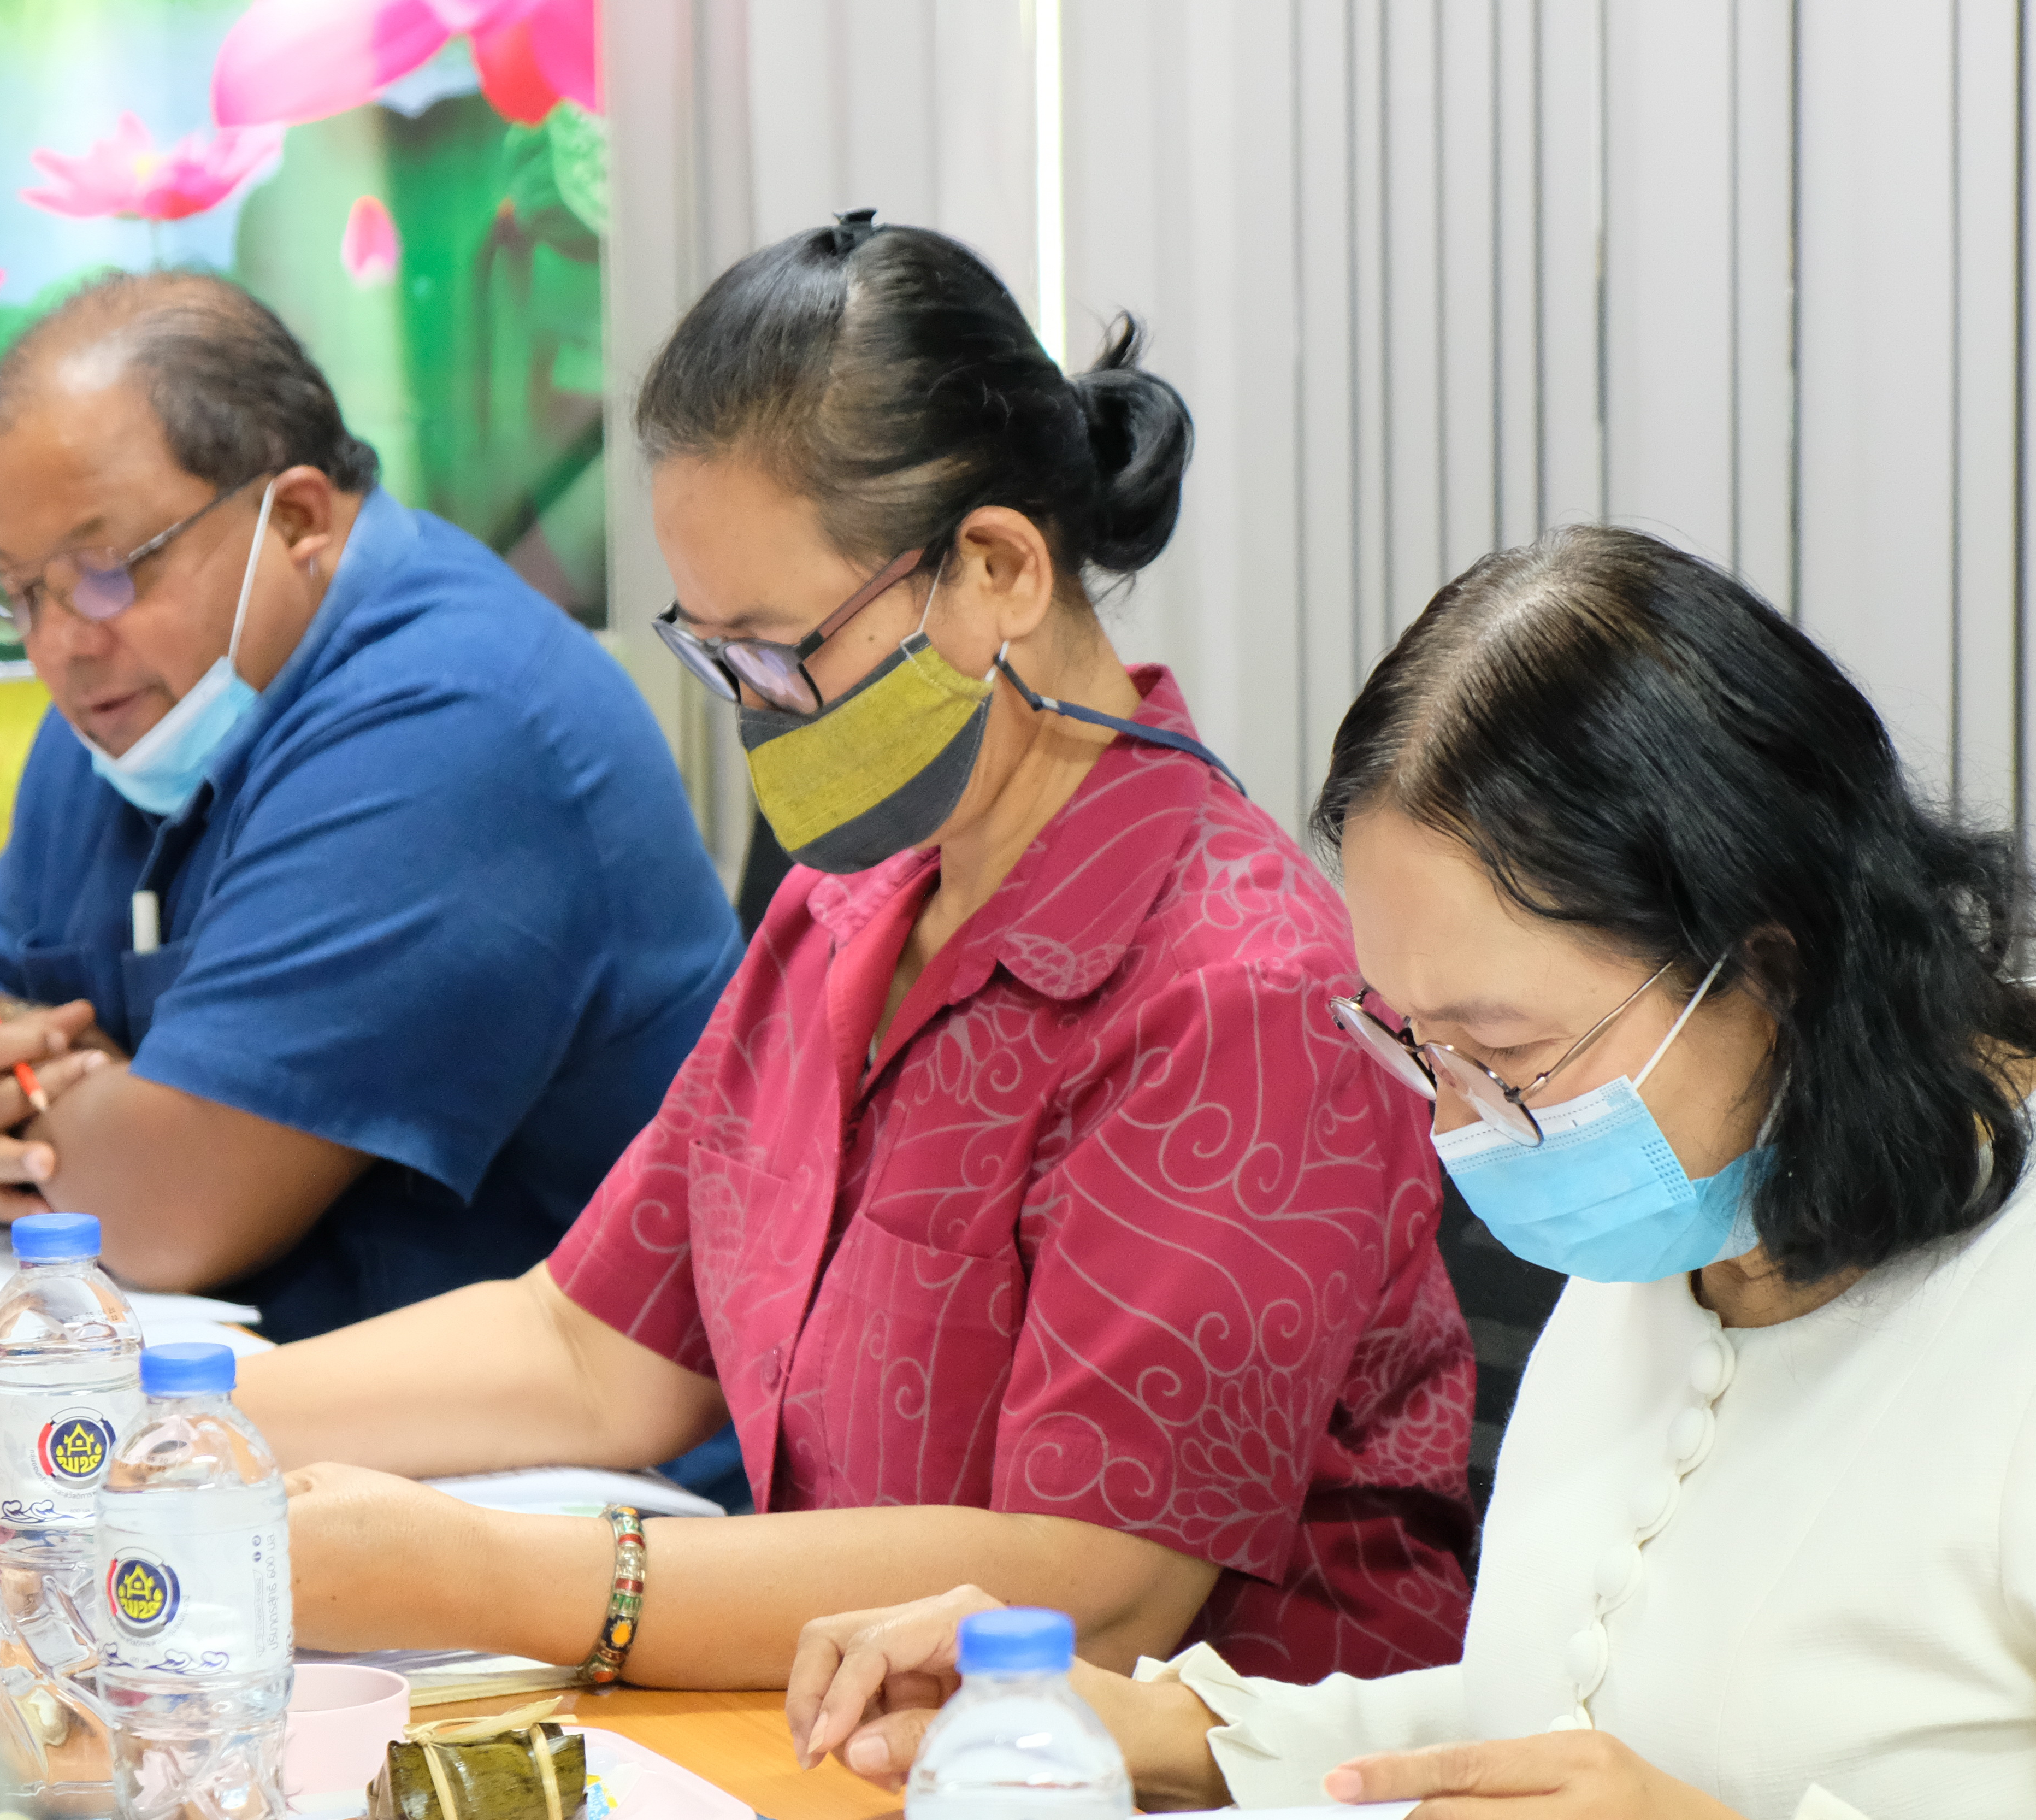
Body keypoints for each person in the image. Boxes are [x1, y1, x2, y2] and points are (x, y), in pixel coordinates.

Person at [235, 215, 1476, 1688]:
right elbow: (597, 1342)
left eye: (777, 651)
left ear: (997, 570)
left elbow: (1096, 1581)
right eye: (716, 659)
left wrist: (493, 1575)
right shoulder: (849, 902)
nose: (755, 711)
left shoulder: (1236, 989)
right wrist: (184, 1414)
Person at [787, 524, 2036, 1820]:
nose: (1462, 1124)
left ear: (1767, 968)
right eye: (1417, 1043)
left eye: (1507, 1052)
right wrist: (1142, 1722)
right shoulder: (1694, 1205)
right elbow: (1542, 1715)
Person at [0, 272, 741, 1345]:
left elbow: (170, 1210)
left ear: (300, 519)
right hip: (255, 1411)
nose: (61, 643)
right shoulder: (122, 717)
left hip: (560, 1470)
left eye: (105, 569)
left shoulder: (457, 718)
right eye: (20, 592)